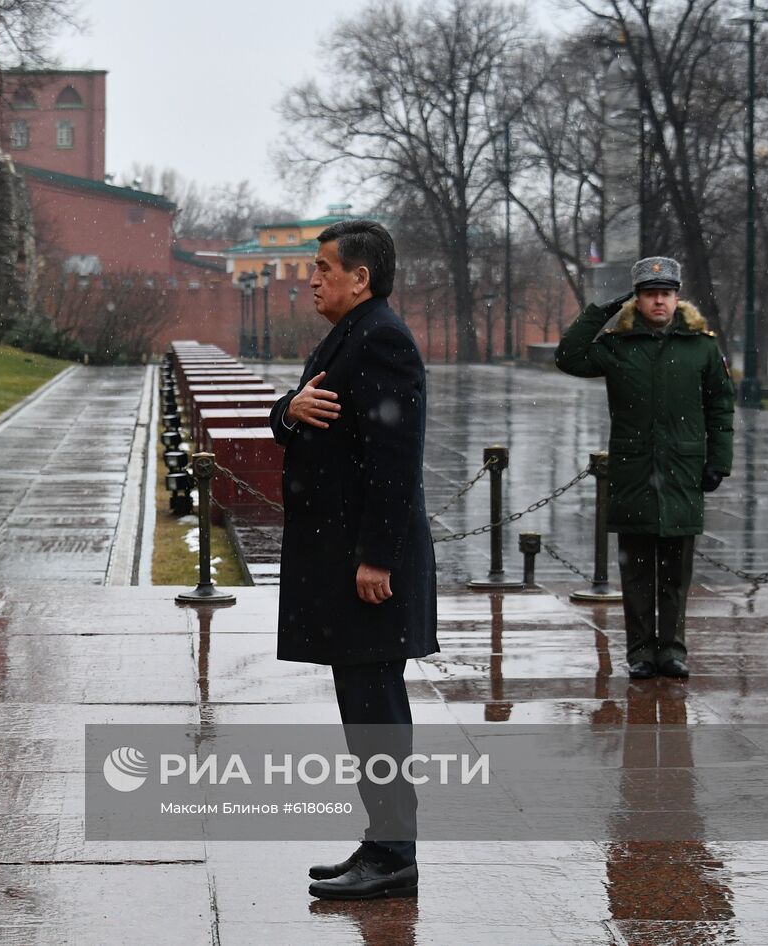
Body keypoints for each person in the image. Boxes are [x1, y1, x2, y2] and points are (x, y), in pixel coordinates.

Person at [269, 218, 437, 900]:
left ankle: (393, 853)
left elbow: (396, 464)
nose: (312, 279)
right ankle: (380, 843)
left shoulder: (383, 341)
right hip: (344, 559)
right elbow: (300, 412)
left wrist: (376, 559)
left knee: (376, 709)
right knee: (364, 705)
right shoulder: (351, 336)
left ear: (360, 278)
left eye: (323, 268)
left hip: (369, 568)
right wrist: (288, 409)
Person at [554, 257, 734, 679]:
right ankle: (639, 653)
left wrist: (718, 462)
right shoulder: (618, 346)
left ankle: (671, 651)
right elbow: (568, 357)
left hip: (682, 472)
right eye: (651, 294)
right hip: (634, 472)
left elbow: (720, 408)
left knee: (675, 572)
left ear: (676, 298)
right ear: (637, 299)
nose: (659, 301)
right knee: (635, 574)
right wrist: (599, 312)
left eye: (666, 294)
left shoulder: (701, 347)